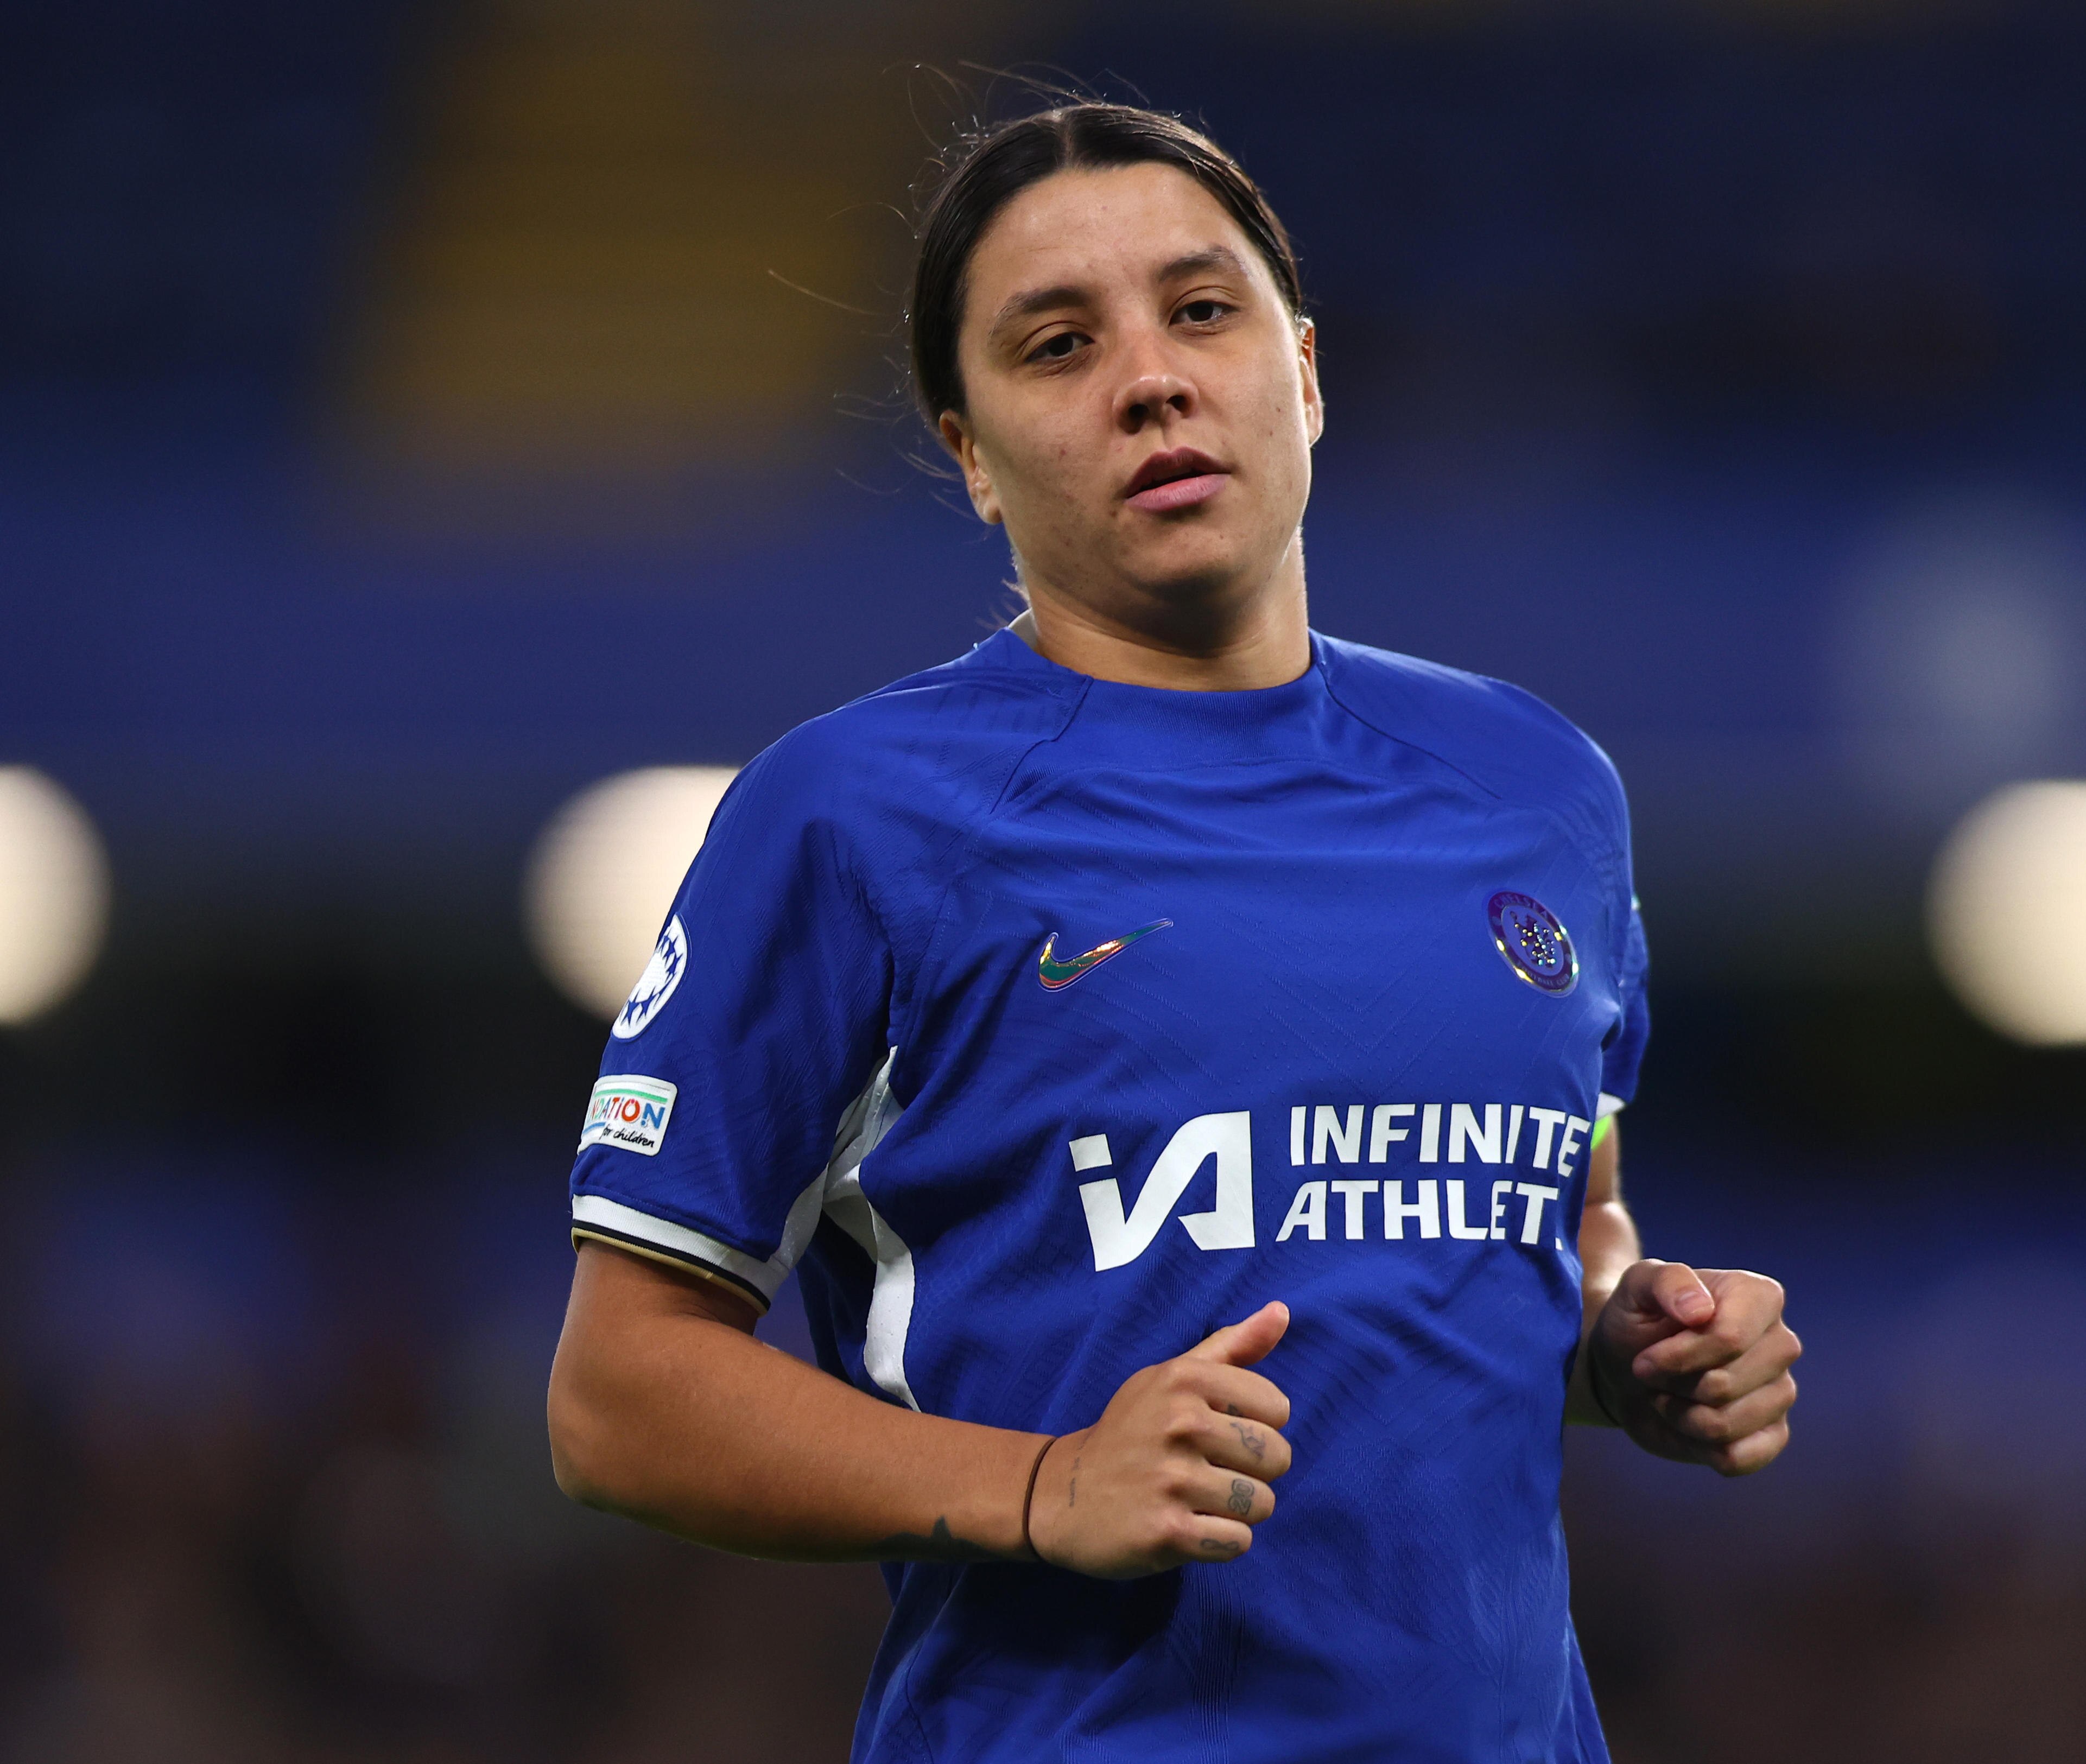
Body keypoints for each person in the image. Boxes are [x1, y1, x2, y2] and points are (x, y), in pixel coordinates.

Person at [546, 101, 1799, 1763]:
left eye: (1201, 311)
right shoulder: (853, 814)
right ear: (972, 457)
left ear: (1305, 369)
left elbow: (1562, 1229)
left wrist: (1637, 1338)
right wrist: (1043, 1482)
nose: (1150, 377)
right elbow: (616, 1394)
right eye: (1057, 345)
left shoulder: (1539, 786)